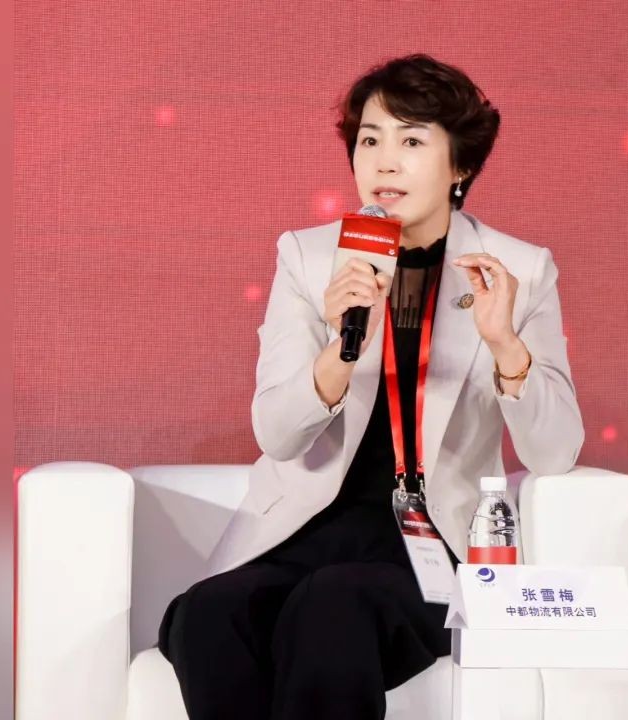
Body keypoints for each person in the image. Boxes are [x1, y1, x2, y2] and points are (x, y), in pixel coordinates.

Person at [157, 53, 584, 720]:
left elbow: (555, 452)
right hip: (307, 528)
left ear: (460, 166)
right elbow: (277, 434)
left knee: (335, 606)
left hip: (430, 540)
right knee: (209, 616)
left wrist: (505, 344)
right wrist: (341, 345)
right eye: (369, 140)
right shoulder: (309, 258)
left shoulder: (518, 271)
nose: (384, 162)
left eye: (411, 142)